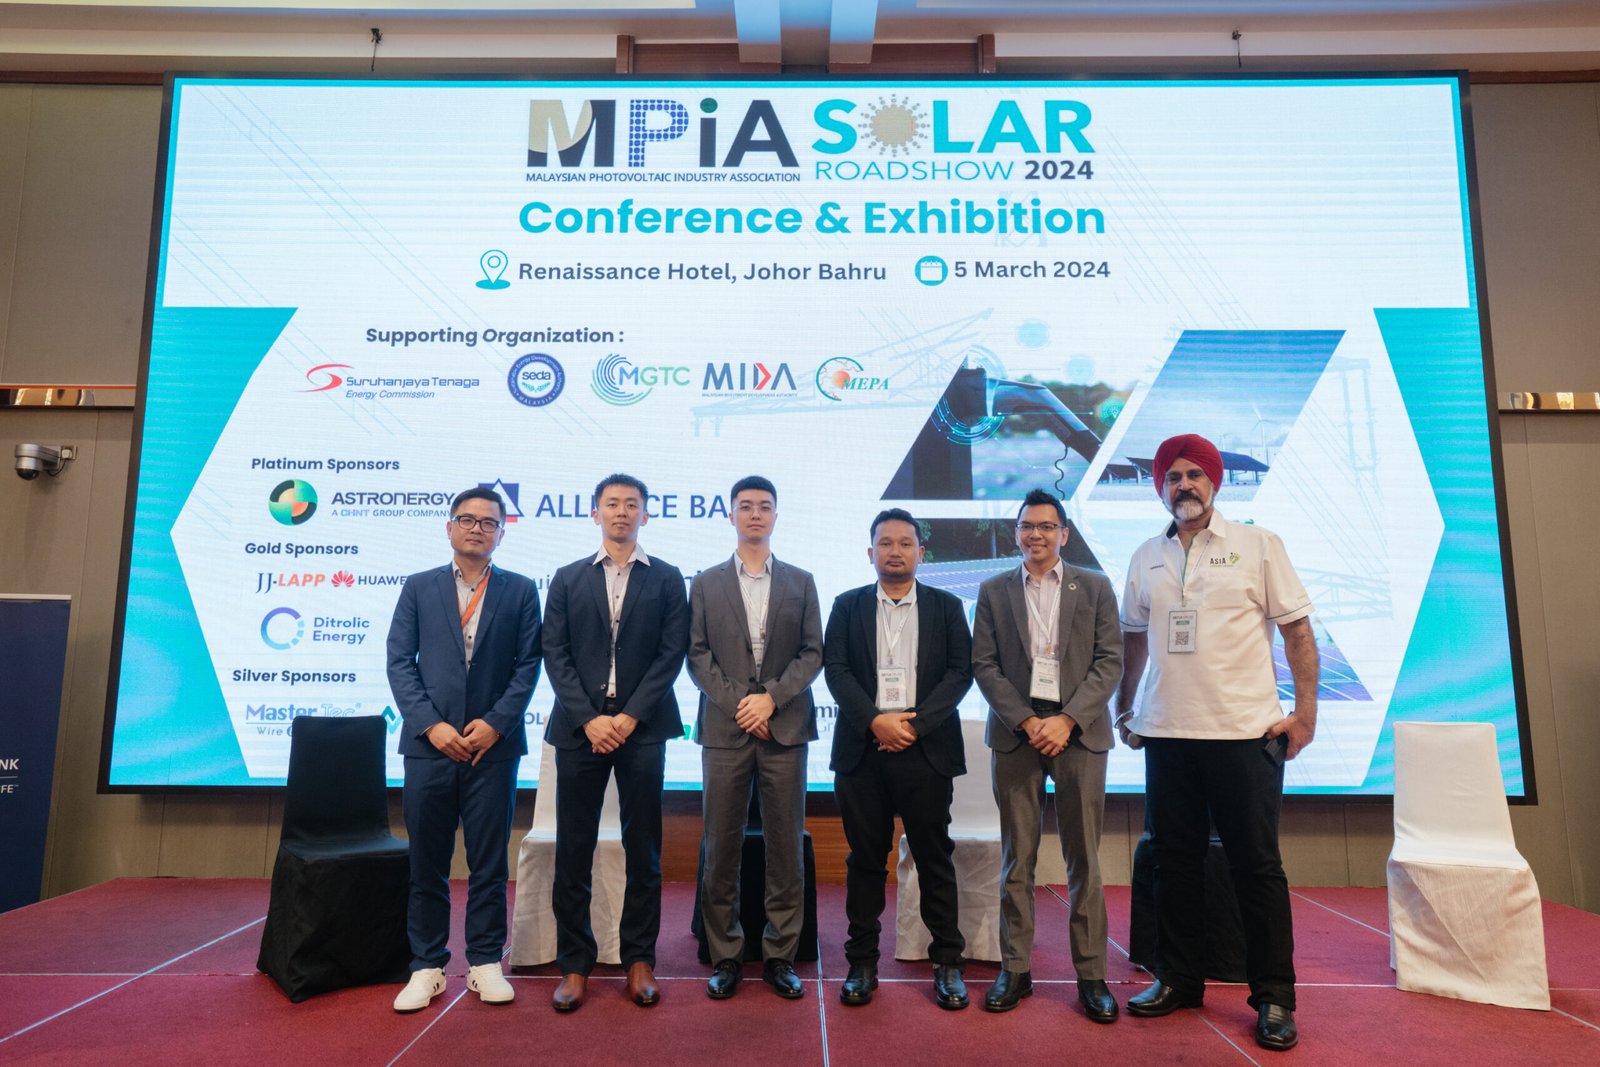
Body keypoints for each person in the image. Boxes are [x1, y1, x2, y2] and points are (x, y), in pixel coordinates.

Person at [1116, 434, 1318, 1052]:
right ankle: (1178, 979)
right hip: (1168, 734)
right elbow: (1133, 639)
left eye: (1195, 475)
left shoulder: (1258, 545)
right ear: (1160, 488)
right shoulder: (1146, 555)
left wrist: (1305, 714)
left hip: (1243, 735)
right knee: (1173, 864)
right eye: (1172, 477)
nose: (1184, 485)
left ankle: (1274, 997)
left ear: (1214, 482)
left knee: (1255, 867)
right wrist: (1125, 706)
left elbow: (1297, 631)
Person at [386, 486, 543, 1012]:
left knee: (488, 863)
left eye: (488, 522)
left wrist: (496, 724)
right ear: (449, 526)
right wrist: (431, 726)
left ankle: (484, 962)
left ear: (502, 532)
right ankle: (427, 966)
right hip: (430, 747)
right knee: (427, 863)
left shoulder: (520, 591)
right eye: (468, 519)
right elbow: (399, 661)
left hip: (491, 750)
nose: (478, 528)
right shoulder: (419, 587)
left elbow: (528, 666)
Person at [970, 488, 1123, 1022]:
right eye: (1026, 526)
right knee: (1018, 857)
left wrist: (1068, 719)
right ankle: (1015, 969)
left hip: (1078, 733)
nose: (1035, 534)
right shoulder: (993, 590)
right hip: (1018, 734)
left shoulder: (1096, 586)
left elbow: (1110, 661)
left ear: (1063, 533)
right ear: (1016, 533)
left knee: (1085, 860)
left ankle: (1092, 976)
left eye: (1046, 526)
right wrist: (1028, 720)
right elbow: (984, 664)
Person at [542, 473, 689, 1012]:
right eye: (612, 503)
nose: (622, 512)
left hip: (642, 728)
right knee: (574, 848)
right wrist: (589, 719)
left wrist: (628, 717)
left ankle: (639, 959)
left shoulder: (667, 578)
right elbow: (554, 653)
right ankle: (574, 964)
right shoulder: (567, 578)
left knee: (643, 848)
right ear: (595, 512)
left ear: (645, 514)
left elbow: (670, 654)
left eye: (631, 504)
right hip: (580, 729)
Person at [823, 507, 973, 1010]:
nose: (895, 551)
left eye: (905, 543)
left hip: (926, 751)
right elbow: (836, 670)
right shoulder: (846, 606)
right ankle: (862, 964)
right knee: (865, 861)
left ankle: (947, 963)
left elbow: (959, 673)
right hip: (863, 752)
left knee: (934, 858)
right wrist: (875, 721)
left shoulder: (947, 607)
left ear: (920, 553)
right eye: (885, 543)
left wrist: (913, 725)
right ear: (870, 552)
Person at [687, 475, 823, 1001]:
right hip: (725, 730)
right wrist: (741, 706)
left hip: (784, 730)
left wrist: (771, 698)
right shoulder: (705, 583)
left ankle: (780, 955)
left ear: (775, 515)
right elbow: (697, 654)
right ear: (731, 515)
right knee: (720, 846)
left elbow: (812, 652)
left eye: (765, 507)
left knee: (785, 848)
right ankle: (725, 954)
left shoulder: (802, 581)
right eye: (745, 506)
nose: (755, 515)